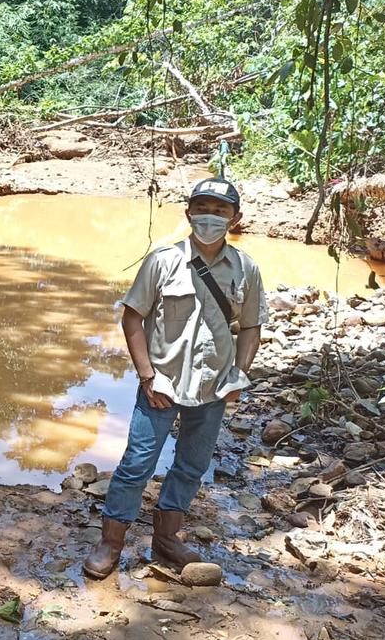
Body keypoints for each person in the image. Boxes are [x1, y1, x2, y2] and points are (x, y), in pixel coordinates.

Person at [83, 177, 267, 580]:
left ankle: (166, 539)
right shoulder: (163, 260)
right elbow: (133, 317)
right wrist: (148, 376)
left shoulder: (247, 269)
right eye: (202, 209)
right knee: (137, 463)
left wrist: (240, 373)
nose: (210, 218)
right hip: (161, 385)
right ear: (188, 213)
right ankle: (110, 541)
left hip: (213, 388)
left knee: (190, 465)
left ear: (235, 218)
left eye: (220, 211)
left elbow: (251, 326)